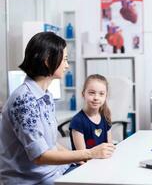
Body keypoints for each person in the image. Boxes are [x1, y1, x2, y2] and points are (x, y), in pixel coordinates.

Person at [0, 32, 115, 184]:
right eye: (65, 60)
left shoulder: (45, 96)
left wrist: (81, 158)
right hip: (32, 180)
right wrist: (89, 153)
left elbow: (51, 143)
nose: (67, 65)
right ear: (48, 61)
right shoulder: (24, 101)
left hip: (55, 171)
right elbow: (40, 156)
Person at [69, 74, 113, 155]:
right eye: (92, 93)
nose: (96, 97)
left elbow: (109, 147)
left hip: (103, 162)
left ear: (106, 96)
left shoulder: (105, 117)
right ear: (83, 94)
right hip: (84, 164)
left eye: (101, 94)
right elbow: (82, 155)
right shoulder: (77, 121)